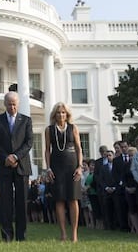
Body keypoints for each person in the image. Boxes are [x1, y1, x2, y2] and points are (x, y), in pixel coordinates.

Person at [0, 91, 33, 242]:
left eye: (14, 104)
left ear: (18, 104)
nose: (12, 107)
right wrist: (5, 157)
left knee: (21, 203)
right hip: (4, 167)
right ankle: (7, 236)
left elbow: (29, 143)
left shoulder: (26, 120)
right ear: (5, 104)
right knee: (5, 203)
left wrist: (15, 156)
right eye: (10, 104)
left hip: (22, 167)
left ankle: (22, 236)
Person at [45, 102, 82, 242]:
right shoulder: (49, 130)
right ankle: (63, 234)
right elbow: (47, 150)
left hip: (72, 164)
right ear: (54, 115)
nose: (61, 115)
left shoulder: (73, 128)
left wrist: (79, 167)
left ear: (67, 115)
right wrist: (48, 168)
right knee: (59, 200)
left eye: (63, 112)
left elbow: (79, 149)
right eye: (58, 112)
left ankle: (74, 234)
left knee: (73, 199)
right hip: (56, 166)